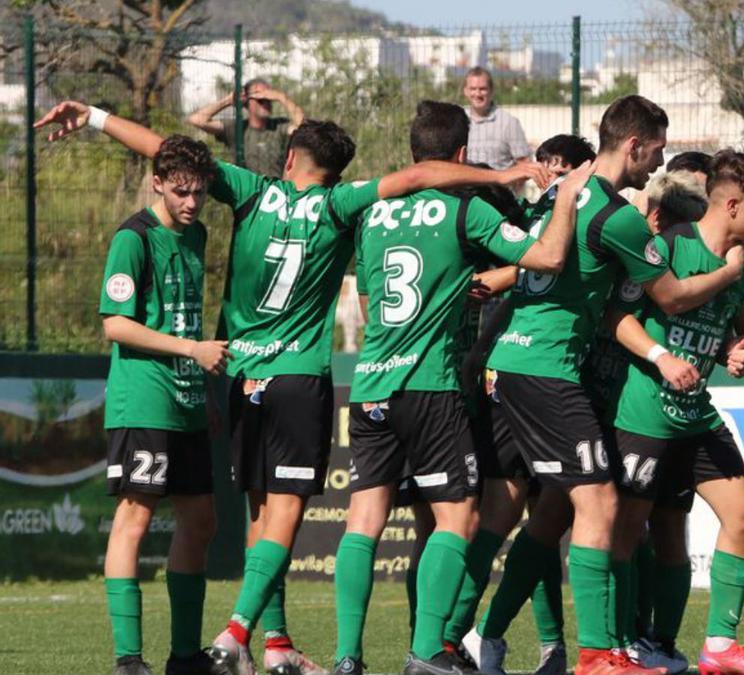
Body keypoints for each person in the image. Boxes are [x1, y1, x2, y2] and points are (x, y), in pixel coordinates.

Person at [35, 99, 550, 675]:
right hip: (300, 379)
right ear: (335, 170)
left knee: (260, 518)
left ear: (287, 158)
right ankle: (235, 635)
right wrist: (501, 174)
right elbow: (420, 175)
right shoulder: (339, 204)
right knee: (285, 518)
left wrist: (97, 117)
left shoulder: (251, 191)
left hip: (237, 375)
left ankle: (274, 642)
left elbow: (168, 149)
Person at [464, 94, 744, 675]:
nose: (659, 166)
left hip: (545, 369)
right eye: (658, 152)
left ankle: (500, 639)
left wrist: (492, 279)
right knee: (589, 506)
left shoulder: (567, 195)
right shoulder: (618, 218)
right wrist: (729, 273)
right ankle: (591, 652)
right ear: (635, 145)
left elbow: (543, 259)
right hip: (552, 371)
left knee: (553, 514)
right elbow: (666, 297)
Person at [330, 100, 590, 675]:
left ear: (412, 153)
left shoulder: (372, 218)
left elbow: (373, 309)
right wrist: (567, 196)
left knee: (363, 521)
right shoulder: (462, 212)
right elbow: (546, 257)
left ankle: (348, 657)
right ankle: (427, 651)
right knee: (457, 520)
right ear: (463, 156)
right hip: (432, 386)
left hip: (370, 384)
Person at [606, 150, 744, 675]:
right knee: (629, 531)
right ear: (731, 204)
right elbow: (619, 317)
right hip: (646, 415)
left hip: (695, 415)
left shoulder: (740, 265)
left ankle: (720, 646)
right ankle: (616, 646)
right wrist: (661, 356)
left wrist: (740, 350)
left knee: (743, 515)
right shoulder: (669, 247)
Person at [100, 136, 226, 675]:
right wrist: (191, 351)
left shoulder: (196, 234)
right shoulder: (133, 239)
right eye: (180, 191)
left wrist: (202, 383)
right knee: (135, 515)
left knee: (201, 521)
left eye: (198, 192)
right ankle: (129, 657)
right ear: (157, 182)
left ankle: (184, 657)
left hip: (186, 401)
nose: (191, 202)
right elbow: (116, 324)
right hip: (143, 400)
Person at [187, 78, 305, 177]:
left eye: (269, 98)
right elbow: (197, 120)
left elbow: (303, 127)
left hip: (274, 196)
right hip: (246, 196)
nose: (266, 102)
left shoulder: (279, 126)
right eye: (260, 99)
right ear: (247, 101)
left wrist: (282, 97)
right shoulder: (237, 129)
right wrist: (227, 101)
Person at [463, 67, 531, 170]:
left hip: (499, 186)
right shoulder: (457, 120)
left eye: (482, 89)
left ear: (491, 91)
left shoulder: (509, 123)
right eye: (473, 89)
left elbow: (524, 164)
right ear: (465, 91)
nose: (477, 94)